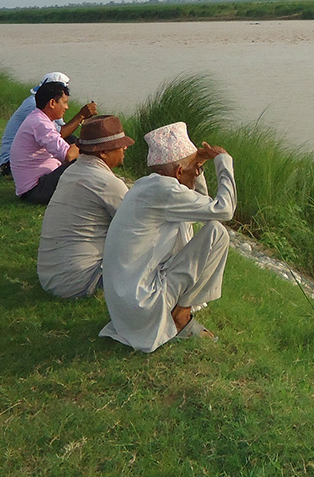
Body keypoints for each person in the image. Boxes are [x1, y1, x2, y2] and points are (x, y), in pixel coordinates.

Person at [100, 122, 236, 352]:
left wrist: (198, 162)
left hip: (126, 307)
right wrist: (224, 161)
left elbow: (201, 210)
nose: (197, 172)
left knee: (202, 225)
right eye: (195, 169)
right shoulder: (166, 191)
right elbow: (224, 210)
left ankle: (179, 309)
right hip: (141, 305)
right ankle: (181, 316)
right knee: (217, 233)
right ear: (178, 172)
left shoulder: (149, 186)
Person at [36, 115, 133, 299]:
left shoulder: (72, 171)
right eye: (120, 144)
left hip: (49, 277)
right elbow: (138, 227)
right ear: (103, 152)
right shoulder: (107, 183)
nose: (125, 148)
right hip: (79, 283)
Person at [0, 72, 97, 176]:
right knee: (72, 156)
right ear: (53, 100)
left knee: (71, 141)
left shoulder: (40, 107)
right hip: (11, 162)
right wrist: (81, 116)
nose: (66, 106)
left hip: (21, 160)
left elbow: (62, 131)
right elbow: (62, 134)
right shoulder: (35, 107)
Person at [9, 81, 89, 204]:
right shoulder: (40, 123)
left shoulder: (39, 118)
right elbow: (69, 155)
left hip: (38, 183)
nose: (66, 107)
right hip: (35, 190)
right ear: (52, 103)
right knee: (81, 159)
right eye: (65, 103)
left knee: (71, 139)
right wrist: (87, 142)